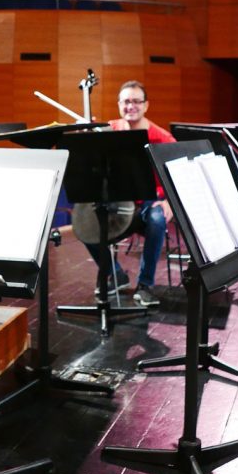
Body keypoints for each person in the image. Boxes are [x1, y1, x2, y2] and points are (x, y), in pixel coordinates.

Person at [81, 80, 176, 308]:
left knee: (157, 220)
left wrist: (169, 202)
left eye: (136, 101)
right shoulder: (109, 130)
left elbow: (178, 176)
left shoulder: (163, 138)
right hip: (118, 203)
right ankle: (115, 274)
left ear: (146, 105)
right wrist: (86, 136)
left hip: (148, 203)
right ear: (119, 104)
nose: (130, 106)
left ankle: (145, 285)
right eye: (126, 101)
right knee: (84, 223)